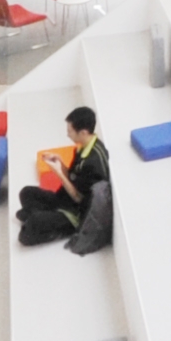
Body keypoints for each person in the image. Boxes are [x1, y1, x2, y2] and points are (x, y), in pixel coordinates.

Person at [16, 104, 111, 245]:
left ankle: (63, 229)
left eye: (70, 131)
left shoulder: (93, 162)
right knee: (26, 193)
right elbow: (73, 177)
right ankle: (43, 216)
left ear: (83, 132)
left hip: (77, 213)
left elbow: (78, 197)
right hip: (65, 199)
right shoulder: (84, 148)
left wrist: (58, 173)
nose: (68, 134)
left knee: (26, 234)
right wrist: (60, 162)